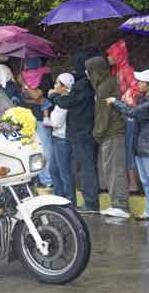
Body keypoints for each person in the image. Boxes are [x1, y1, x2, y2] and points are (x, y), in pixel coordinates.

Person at [107, 69, 149, 223]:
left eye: (142, 82)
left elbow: (132, 111)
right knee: (145, 181)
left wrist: (115, 102)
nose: (139, 84)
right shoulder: (144, 98)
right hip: (139, 144)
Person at [49, 48, 101, 213]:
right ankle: (89, 202)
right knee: (81, 169)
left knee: (86, 169)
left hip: (82, 133)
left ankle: (91, 204)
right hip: (81, 132)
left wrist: (54, 95)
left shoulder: (84, 85)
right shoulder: (87, 83)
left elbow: (68, 102)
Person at [85, 56, 129, 218]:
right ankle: (117, 204)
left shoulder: (104, 87)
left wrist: (97, 134)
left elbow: (103, 115)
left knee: (114, 170)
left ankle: (120, 206)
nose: (87, 75)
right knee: (111, 169)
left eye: (89, 71)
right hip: (110, 133)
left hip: (112, 133)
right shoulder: (106, 84)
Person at [107, 39, 140, 194]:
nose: (108, 57)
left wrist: (123, 100)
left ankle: (133, 183)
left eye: (111, 54)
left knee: (128, 149)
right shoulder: (116, 71)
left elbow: (135, 89)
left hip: (128, 114)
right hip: (121, 113)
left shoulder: (126, 70)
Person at [20, 58, 55, 188]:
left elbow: (36, 95)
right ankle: (35, 178)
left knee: (45, 148)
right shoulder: (27, 75)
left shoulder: (44, 76)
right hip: (27, 117)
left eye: (29, 59)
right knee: (31, 148)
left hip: (41, 117)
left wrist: (23, 83)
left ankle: (47, 179)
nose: (26, 64)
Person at [46, 73, 76, 204]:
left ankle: (69, 200)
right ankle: (58, 198)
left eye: (58, 83)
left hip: (62, 140)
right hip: (56, 138)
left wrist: (47, 120)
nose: (55, 85)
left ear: (64, 87)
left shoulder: (65, 101)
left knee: (64, 172)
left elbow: (56, 122)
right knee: (53, 170)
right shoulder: (61, 100)